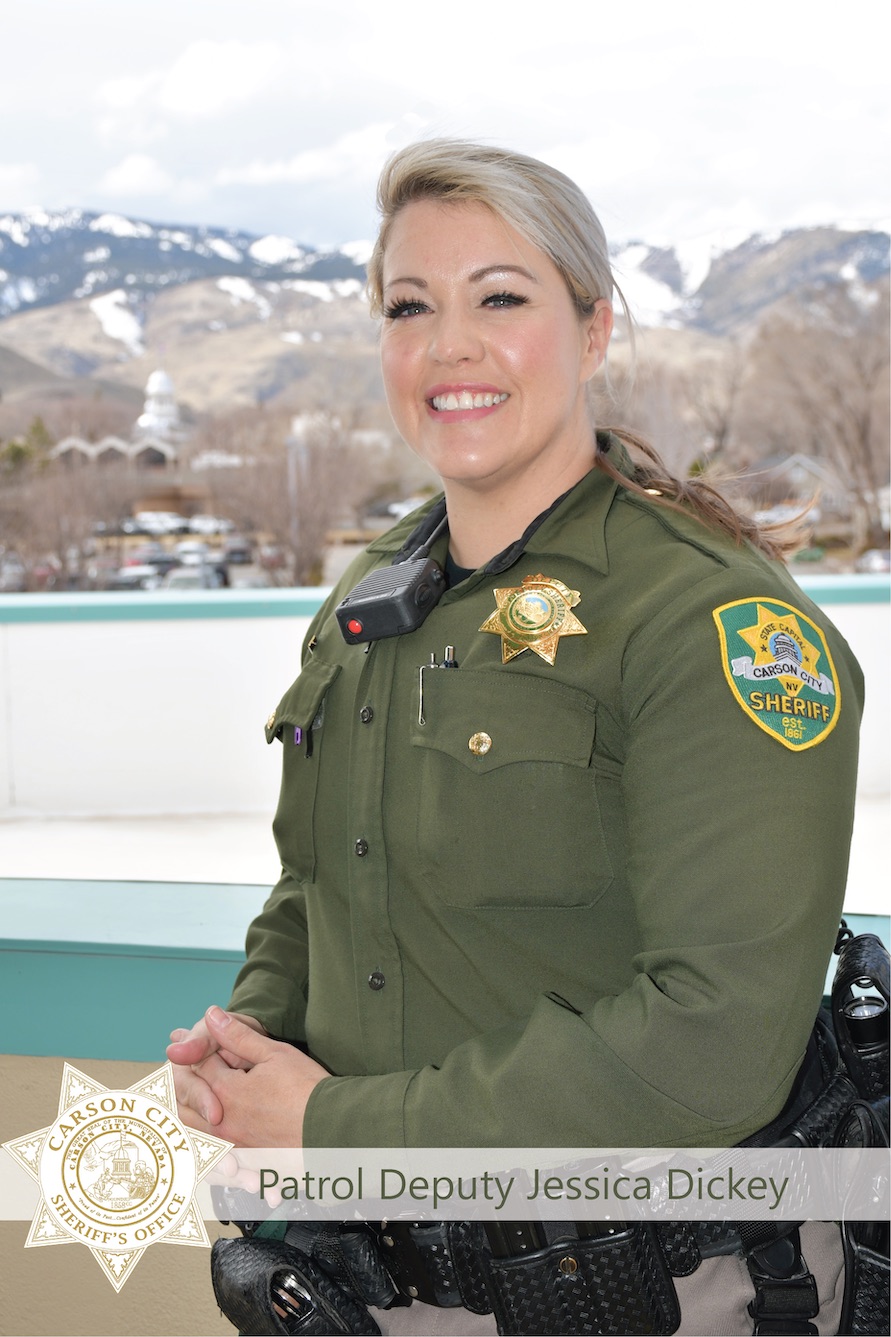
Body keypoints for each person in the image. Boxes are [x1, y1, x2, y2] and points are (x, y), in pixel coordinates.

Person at [168, 140, 867, 1334]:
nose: (449, 344)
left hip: (650, 1290)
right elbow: (321, 875)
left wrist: (334, 1124)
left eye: (501, 297)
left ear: (594, 330)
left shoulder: (712, 618)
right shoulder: (382, 586)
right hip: (376, 1283)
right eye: (409, 306)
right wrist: (253, 1037)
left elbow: (714, 1035)